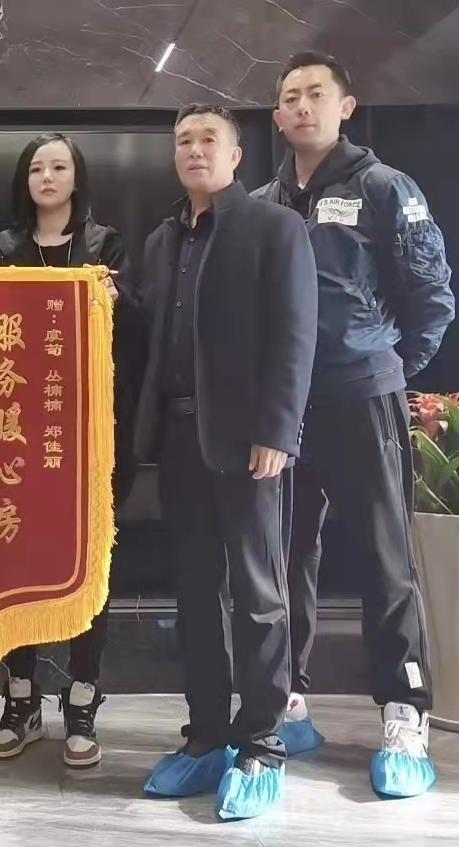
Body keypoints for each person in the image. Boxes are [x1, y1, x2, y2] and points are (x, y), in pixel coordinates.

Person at [255, 51, 455, 799]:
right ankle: (289, 698)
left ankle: (405, 712)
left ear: (345, 106)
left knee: (384, 557)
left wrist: (386, 363)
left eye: (317, 94)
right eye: (290, 97)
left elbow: (431, 294)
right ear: (277, 117)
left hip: (363, 396)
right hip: (284, 407)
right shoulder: (262, 202)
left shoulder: (384, 187)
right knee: (283, 556)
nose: (302, 106)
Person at [134, 104, 317, 821]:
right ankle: (206, 735)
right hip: (179, 439)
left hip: (249, 444)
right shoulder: (160, 241)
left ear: (237, 155)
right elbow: (147, 330)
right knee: (194, 592)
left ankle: (263, 743)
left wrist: (278, 430)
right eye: (183, 141)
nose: (194, 150)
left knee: (259, 592)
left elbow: (295, 334)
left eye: (209, 139)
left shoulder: (275, 227)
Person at [0, 132, 143, 769]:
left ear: (77, 178)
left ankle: (82, 696)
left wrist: (113, 301)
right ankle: (21, 697)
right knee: (13, 559)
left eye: (59, 167)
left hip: (91, 434)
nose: (47, 177)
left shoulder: (108, 246)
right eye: (37, 168)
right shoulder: (1, 249)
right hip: (15, 433)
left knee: (88, 563)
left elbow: (135, 332)